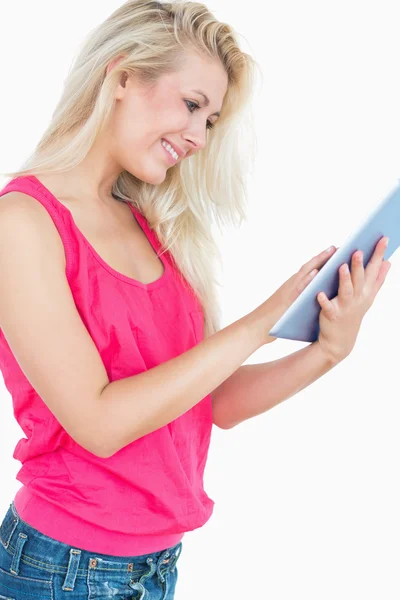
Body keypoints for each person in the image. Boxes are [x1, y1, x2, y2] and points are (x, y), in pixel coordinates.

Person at [0, 1, 391, 599]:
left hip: (156, 564)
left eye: (209, 120)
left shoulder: (150, 225)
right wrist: (261, 322)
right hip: (62, 568)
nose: (198, 136)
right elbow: (99, 423)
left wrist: (326, 351)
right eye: (192, 105)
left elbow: (208, 405)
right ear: (123, 74)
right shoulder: (22, 223)